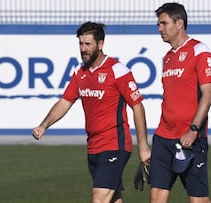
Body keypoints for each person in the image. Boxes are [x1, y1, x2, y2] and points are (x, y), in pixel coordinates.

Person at [32, 21, 151, 203]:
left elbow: (137, 107)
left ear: (100, 44)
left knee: (99, 198)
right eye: (80, 43)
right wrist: (44, 126)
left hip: (115, 145)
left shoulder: (117, 71)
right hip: (93, 146)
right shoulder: (80, 72)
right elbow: (65, 102)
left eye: (88, 44)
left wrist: (143, 147)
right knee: (113, 199)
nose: (83, 49)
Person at [150, 3, 211, 203]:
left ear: (179, 24)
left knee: (199, 201)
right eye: (159, 24)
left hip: (190, 138)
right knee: (157, 198)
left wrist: (194, 129)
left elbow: (208, 94)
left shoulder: (199, 51)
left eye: (164, 23)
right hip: (163, 138)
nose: (159, 28)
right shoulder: (167, 58)